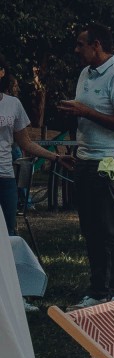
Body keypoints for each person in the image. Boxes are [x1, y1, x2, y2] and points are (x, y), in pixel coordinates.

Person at [57, 23, 114, 309]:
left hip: (112, 164)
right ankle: (97, 290)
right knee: (91, 229)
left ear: (98, 45)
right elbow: (88, 117)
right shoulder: (85, 74)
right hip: (86, 160)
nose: (76, 50)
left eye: (81, 44)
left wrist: (85, 112)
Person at [0, 61, 48, 239]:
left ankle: (9, 267)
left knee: (8, 234)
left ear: (2, 72)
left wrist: (56, 157)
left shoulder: (13, 104)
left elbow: (26, 143)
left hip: (5, 177)